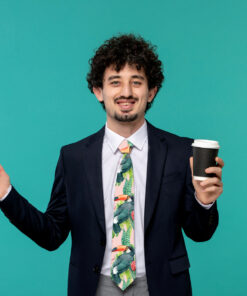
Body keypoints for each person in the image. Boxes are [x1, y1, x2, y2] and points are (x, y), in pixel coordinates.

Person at [0, 34, 224, 296]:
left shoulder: (181, 152)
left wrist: (204, 202)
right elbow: (52, 234)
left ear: (151, 91)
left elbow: (200, 233)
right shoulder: (73, 158)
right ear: (98, 91)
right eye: (115, 82)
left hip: (163, 286)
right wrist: (6, 194)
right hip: (96, 287)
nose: (126, 92)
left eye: (136, 82)